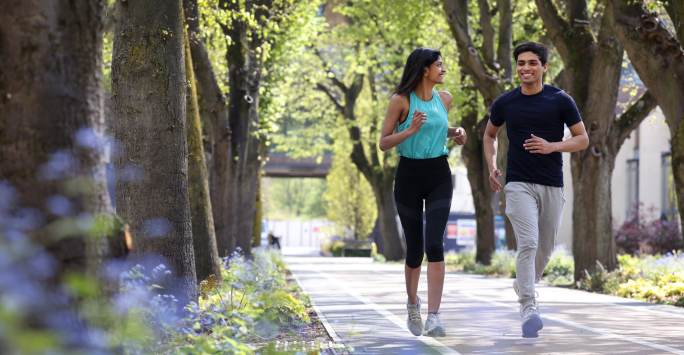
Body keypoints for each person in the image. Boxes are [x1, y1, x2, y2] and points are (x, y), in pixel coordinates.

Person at [483, 42, 589, 338]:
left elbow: (582, 139)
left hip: (552, 183)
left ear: (544, 67)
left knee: (545, 248)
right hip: (517, 184)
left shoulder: (560, 99)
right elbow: (490, 135)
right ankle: (528, 306)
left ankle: (523, 283)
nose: (526, 68)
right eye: (521, 63)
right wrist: (492, 165)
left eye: (532, 63)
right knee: (528, 243)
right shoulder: (506, 102)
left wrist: (552, 146)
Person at [379, 48, 467, 337]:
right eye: (439, 65)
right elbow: (384, 142)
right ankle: (413, 304)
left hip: (439, 173)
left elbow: (438, 128)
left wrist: (456, 132)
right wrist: (410, 130)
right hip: (409, 175)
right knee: (415, 248)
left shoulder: (445, 99)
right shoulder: (400, 101)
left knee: (435, 244)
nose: (443, 69)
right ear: (424, 69)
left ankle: (434, 316)